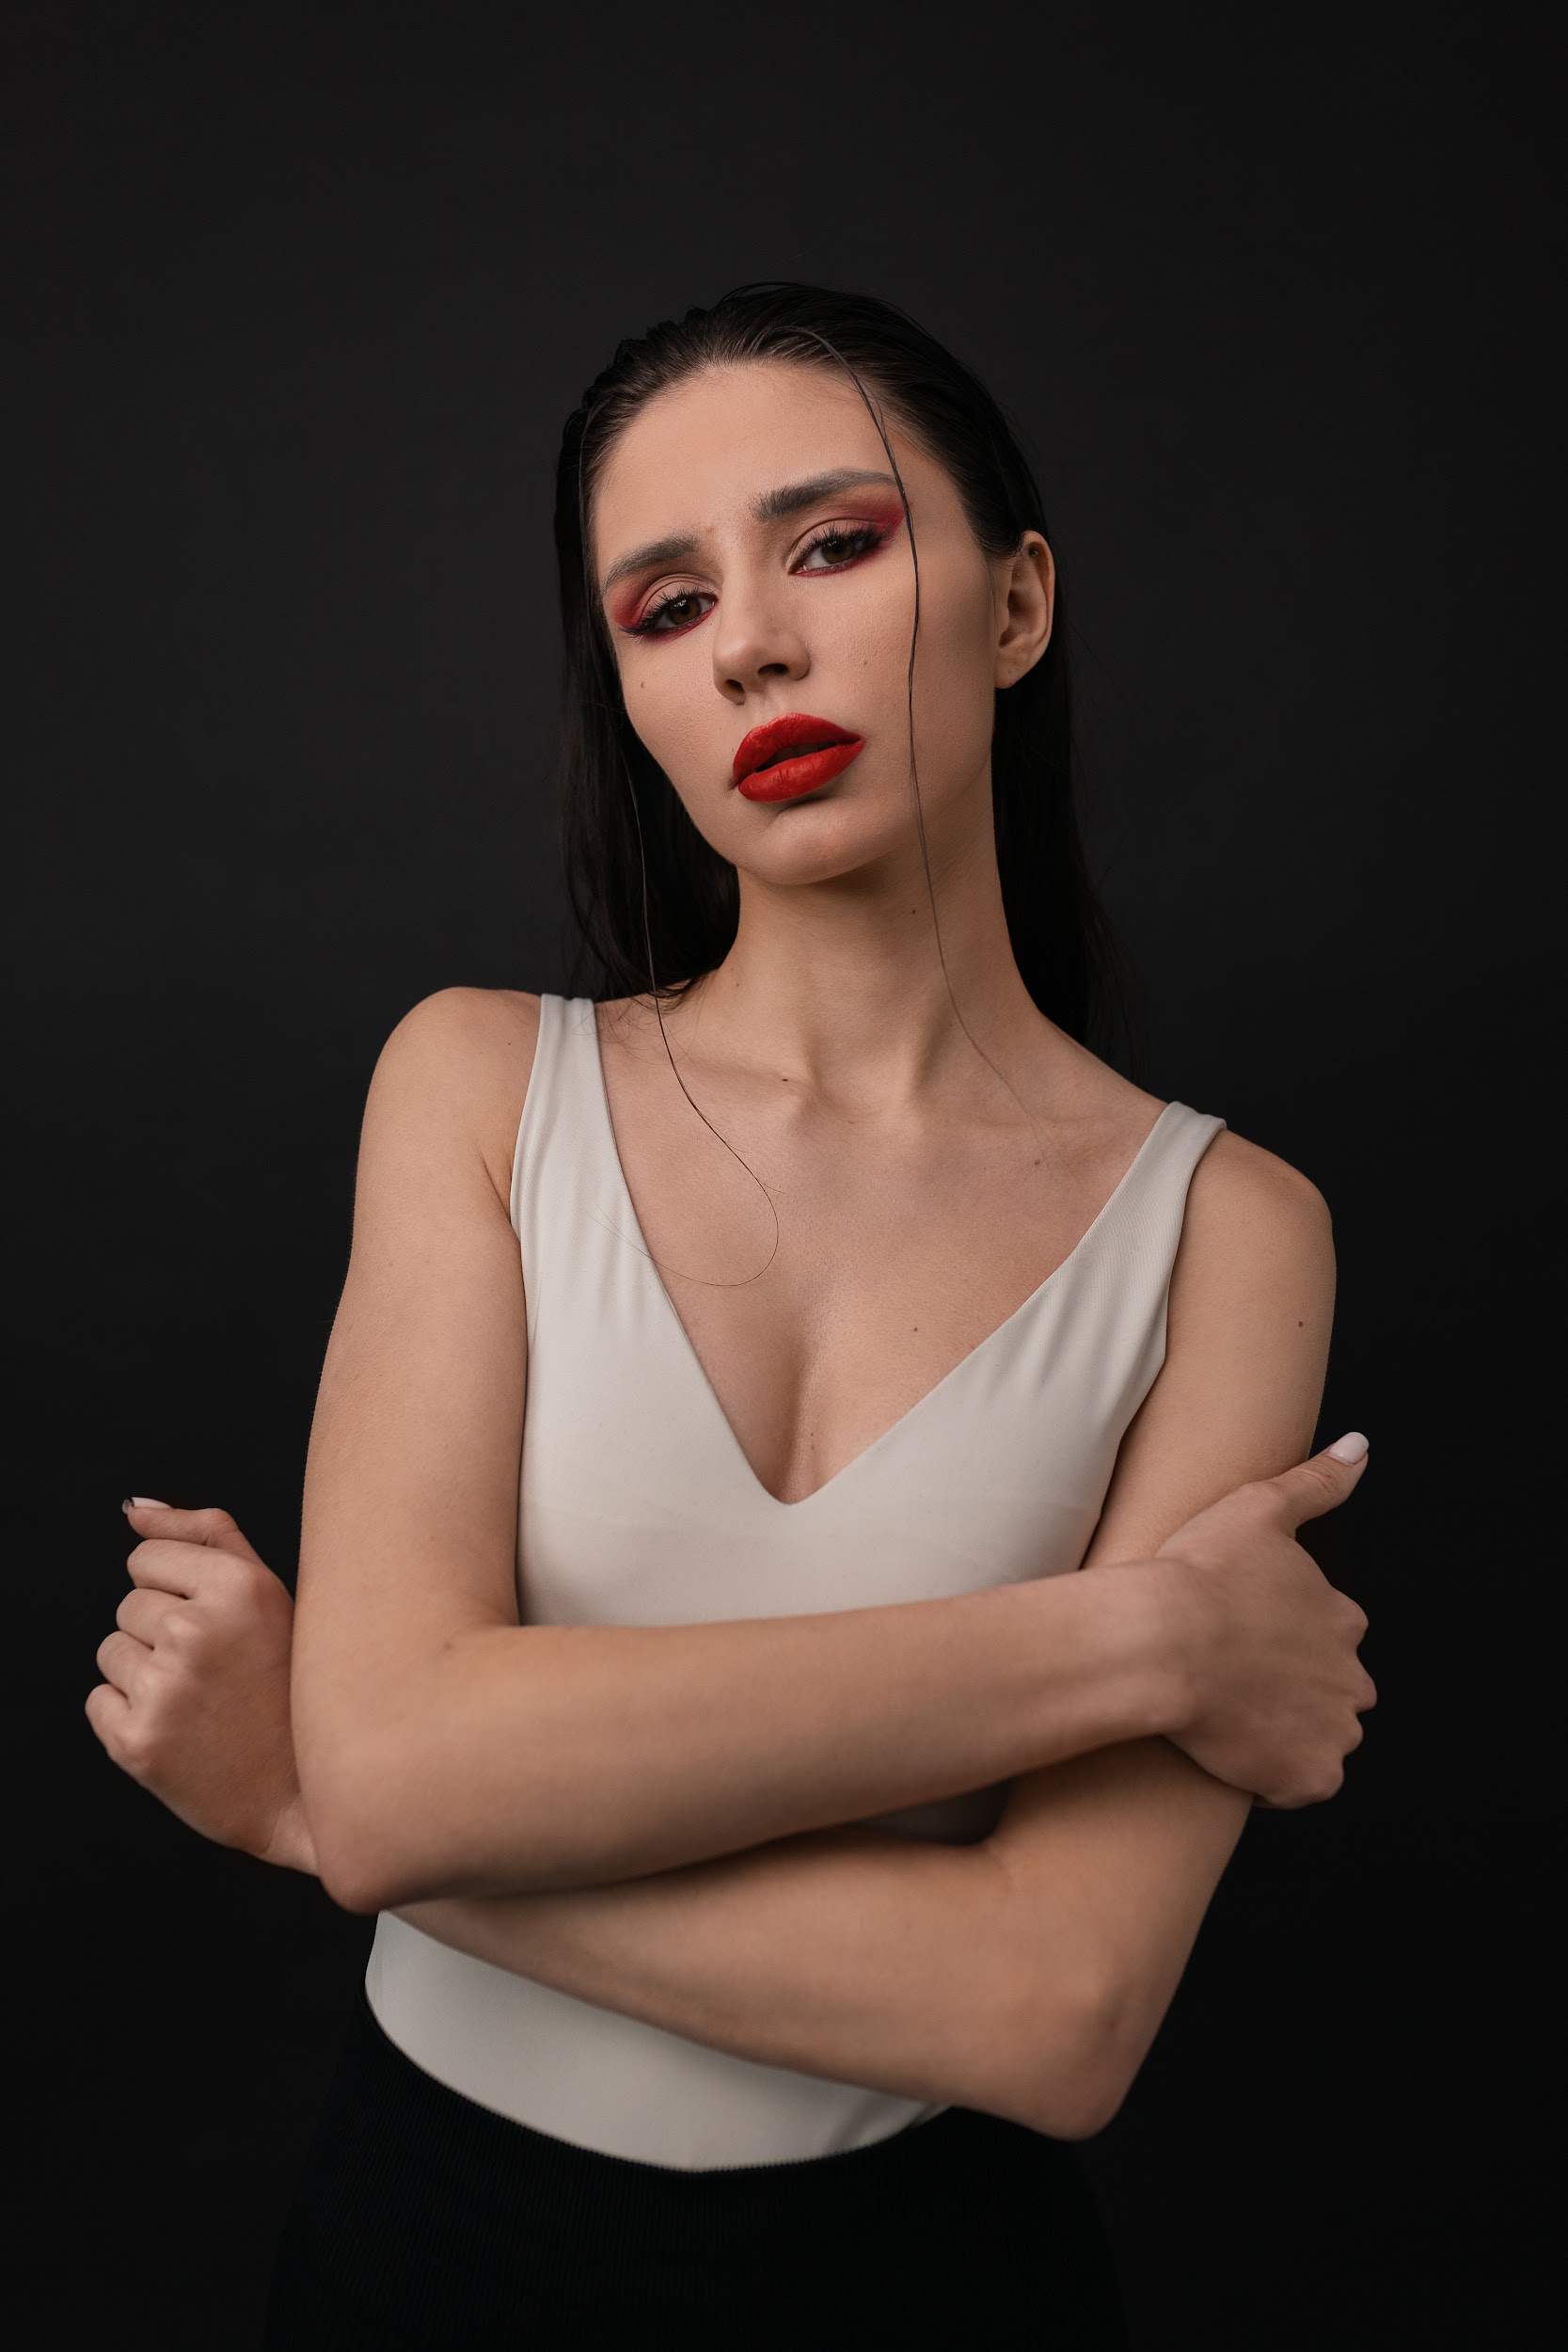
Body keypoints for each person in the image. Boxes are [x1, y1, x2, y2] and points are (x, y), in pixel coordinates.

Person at [87, 283, 1376, 2348]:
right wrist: (1143, 1640)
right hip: (423, 2261)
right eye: (665, 606)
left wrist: (325, 1815)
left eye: (834, 544)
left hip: (936, 2289)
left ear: (1018, 602)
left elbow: (1057, 2013)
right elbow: (410, 1762)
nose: (752, 644)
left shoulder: (1229, 1230)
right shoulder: (477, 1085)